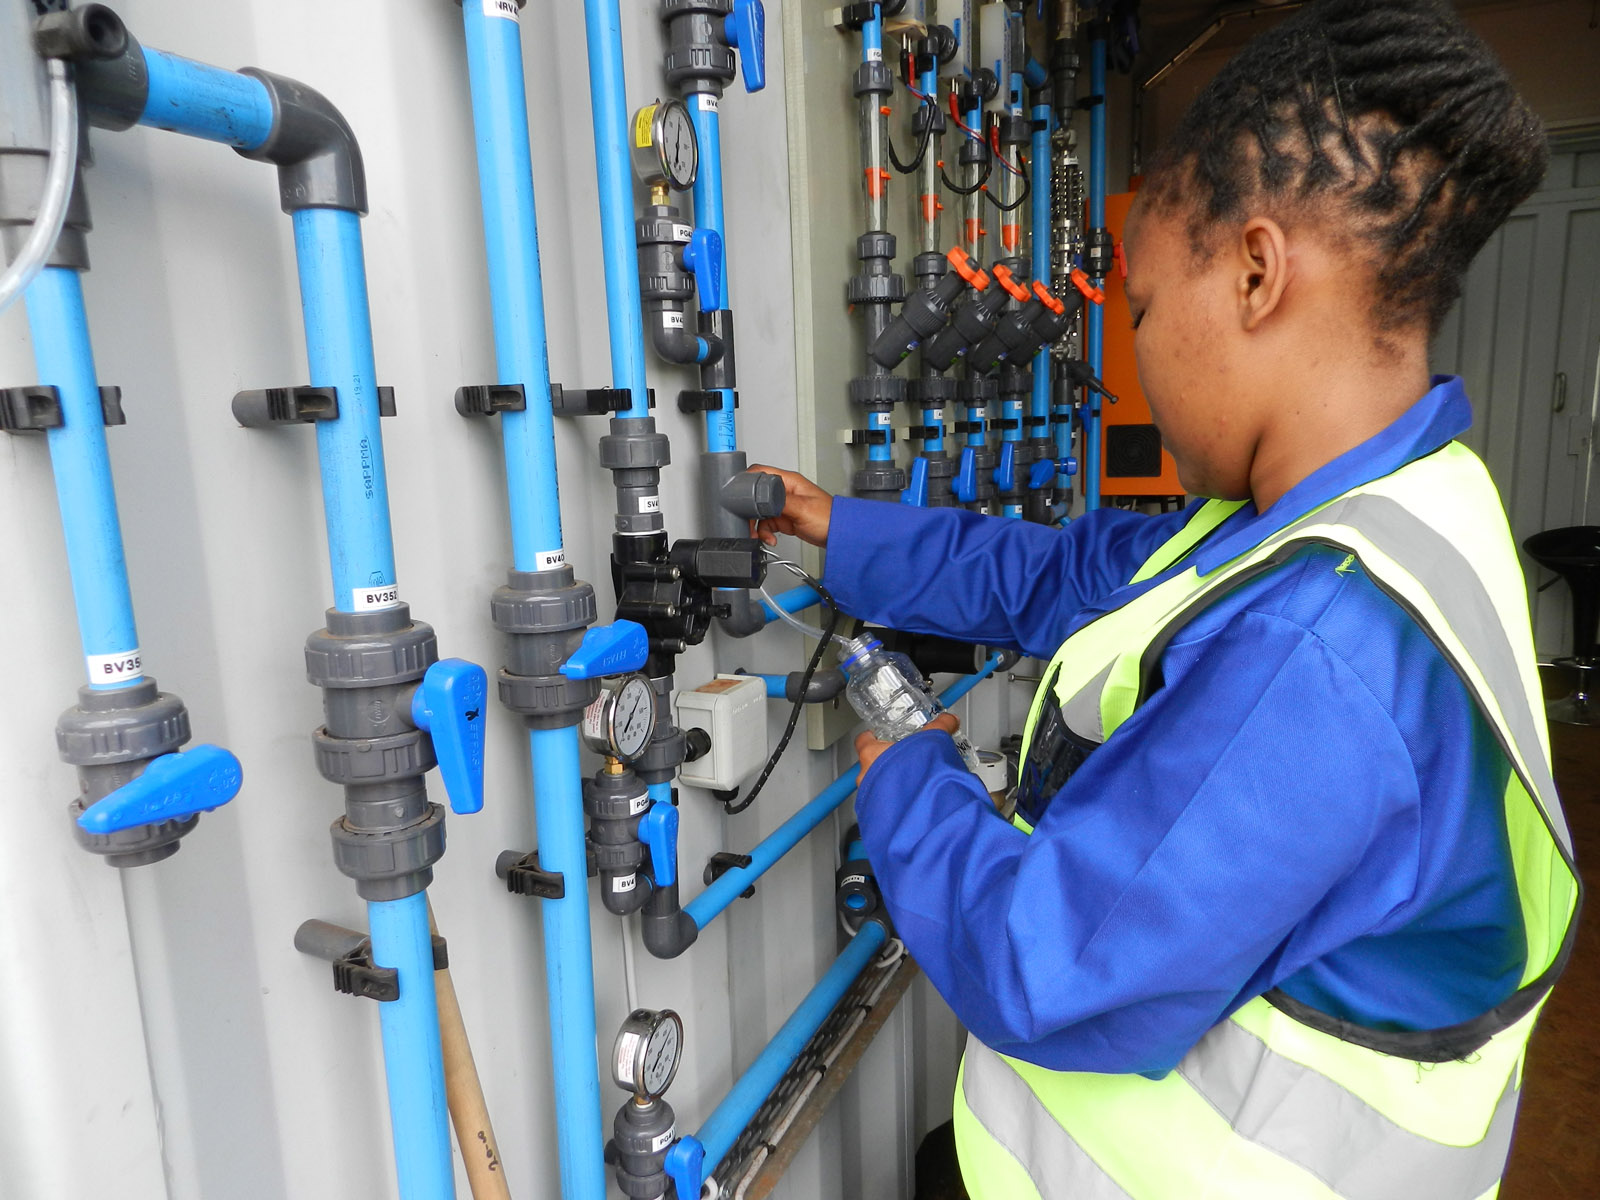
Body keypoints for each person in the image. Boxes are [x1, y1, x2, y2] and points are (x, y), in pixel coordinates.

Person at [750, 1, 1579, 1195]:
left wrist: (910, 783)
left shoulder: (1320, 639)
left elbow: (1045, 964)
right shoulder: (1368, 504)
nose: (1133, 354)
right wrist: (842, 533)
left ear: (1253, 272)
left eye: (1138, 308)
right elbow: (1054, 576)